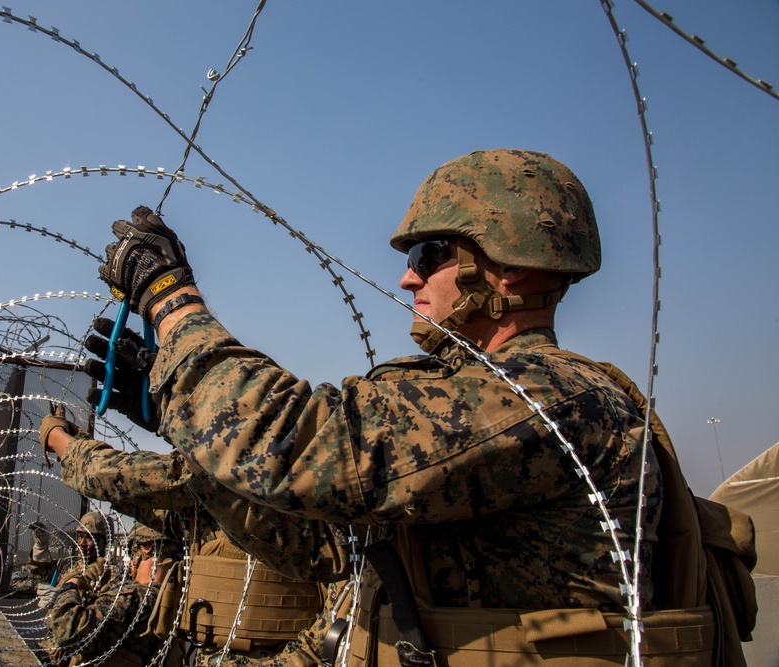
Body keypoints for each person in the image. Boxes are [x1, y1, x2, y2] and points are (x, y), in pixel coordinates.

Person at [93, 149, 729, 665]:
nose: (408, 278)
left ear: (511, 267)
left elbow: (291, 445)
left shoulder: (553, 402)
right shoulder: (480, 399)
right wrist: (190, 432)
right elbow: (323, 549)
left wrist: (170, 298)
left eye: (430, 256)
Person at [39, 413, 338, 666]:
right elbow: (127, 487)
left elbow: (114, 477)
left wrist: (58, 438)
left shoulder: (208, 485)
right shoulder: (206, 506)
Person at [43, 512, 169, 667]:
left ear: (147, 547)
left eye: (132, 551)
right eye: (79, 536)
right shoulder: (169, 599)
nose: (82, 542)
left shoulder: (130, 593)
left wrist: (70, 588)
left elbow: (69, 631)